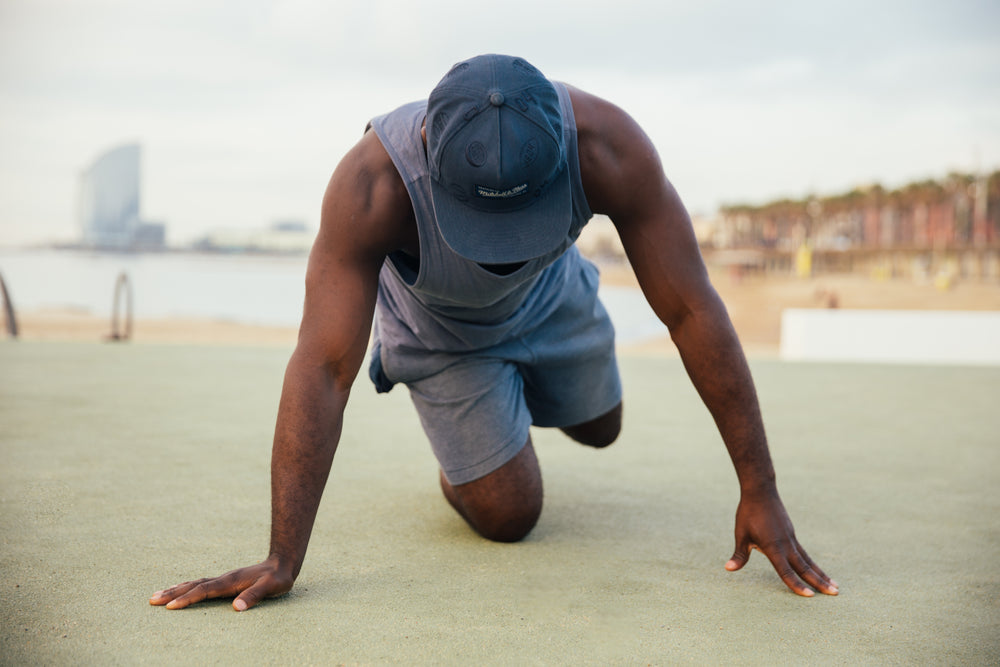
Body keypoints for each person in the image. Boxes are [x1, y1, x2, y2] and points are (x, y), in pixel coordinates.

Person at [150, 54, 838, 612]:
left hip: (549, 296)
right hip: (439, 327)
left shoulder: (609, 147)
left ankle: (514, 394)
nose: (502, 249)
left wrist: (760, 486)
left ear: (562, 149)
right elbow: (323, 367)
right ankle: (468, 445)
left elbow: (691, 309)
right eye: (487, 227)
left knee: (602, 427)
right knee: (510, 514)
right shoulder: (370, 186)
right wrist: (282, 554)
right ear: (426, 145)